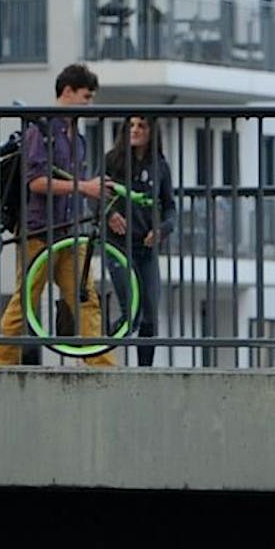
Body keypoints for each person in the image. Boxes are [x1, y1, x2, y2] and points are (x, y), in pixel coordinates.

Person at [0, 65, 114, 368]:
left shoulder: (78, 139)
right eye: (86, 96)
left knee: (87, 299)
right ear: (67, 91)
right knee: (26, 302)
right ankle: (0, 366)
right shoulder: (41, 131)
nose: (89, 104)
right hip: (38, 231)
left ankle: (105, 369)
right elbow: (36, 182)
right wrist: (84, 187)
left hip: (70, 233)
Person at [104, 114, 175, 365]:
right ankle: (98, 346)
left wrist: (162, 229)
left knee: (150, 316)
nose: (135, 130)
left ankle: (146, 370)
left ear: (151, 132)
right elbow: (95, 195)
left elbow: (169, 208)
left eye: (141, 126)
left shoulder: (160, 166)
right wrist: (109, 213)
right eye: (131, 125)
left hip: (146, 250)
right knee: (130, 314)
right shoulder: (112, 161)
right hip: (117, 246)